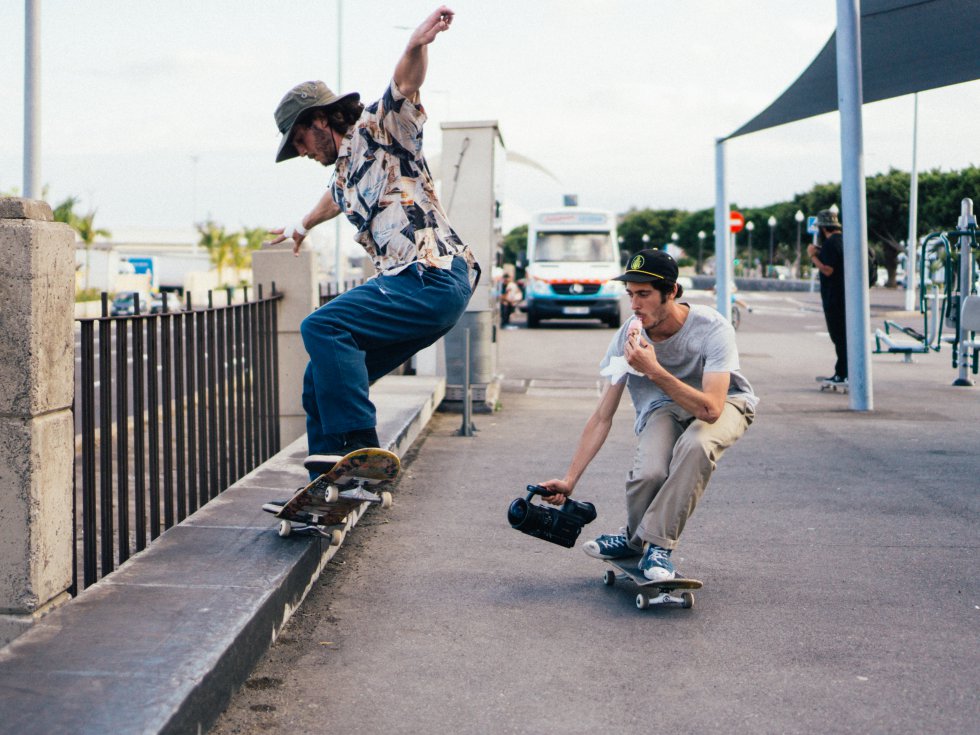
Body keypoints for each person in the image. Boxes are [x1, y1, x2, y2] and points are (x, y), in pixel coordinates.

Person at [267, 6, 478, 477]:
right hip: (415, 293)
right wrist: (301, 227)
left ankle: (360, 449)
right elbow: (334, 199)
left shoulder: (381, 128)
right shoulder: (342, 175)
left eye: (300, 140)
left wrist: (414, 46)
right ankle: (330, 483)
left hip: (431, 274)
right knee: (319, 376)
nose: (301, 152)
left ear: (321, 120)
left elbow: (405, 86)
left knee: (322, 327)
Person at [537, 249, 757, 582]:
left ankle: (653, 546)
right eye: (630, 295)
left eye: (644, 294)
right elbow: (602, 416)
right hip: (664, 407)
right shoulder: (628, 337)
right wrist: (570, 479)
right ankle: (635, 541)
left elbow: (710, 409)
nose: (635, 305)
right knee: (648, 473)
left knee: (695, 446)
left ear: (672, 292)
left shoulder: (713, 328)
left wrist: (654, 370)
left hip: (726, 402)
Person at [807, 209, 846, 386]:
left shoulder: (831, 243)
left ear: (823, 228)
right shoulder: (844, 240)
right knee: (845, 336)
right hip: (846, 297)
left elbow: (828, 269)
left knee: (838, 337)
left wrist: (813, 256)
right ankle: (845, 371)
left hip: (835, 298)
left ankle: (842, 373)